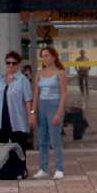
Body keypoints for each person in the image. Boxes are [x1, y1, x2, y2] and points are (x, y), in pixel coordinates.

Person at [0, 51, 34, 158]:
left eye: (14, 63)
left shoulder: (23, 80)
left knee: (18, 146)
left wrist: (31, 115)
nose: (11, 65)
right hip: (0, 119)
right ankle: (1, 171)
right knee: (0, 146)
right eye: (8, 63)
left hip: (17, 119)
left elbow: (28, 100)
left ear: (18, 64)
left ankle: (20, 171)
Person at [33, 47, 68, 179]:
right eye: (42, 56)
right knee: (42, 139)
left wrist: (59, 112)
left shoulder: (60, 73)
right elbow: (36, 94)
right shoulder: (39, 74)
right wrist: (32, 111)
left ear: (54, 57)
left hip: (54, 105)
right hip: (42, 106)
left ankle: (59, 168)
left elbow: (64, 94)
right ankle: (43, 168)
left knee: (55, 138)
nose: (45, 58)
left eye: (47, 55)